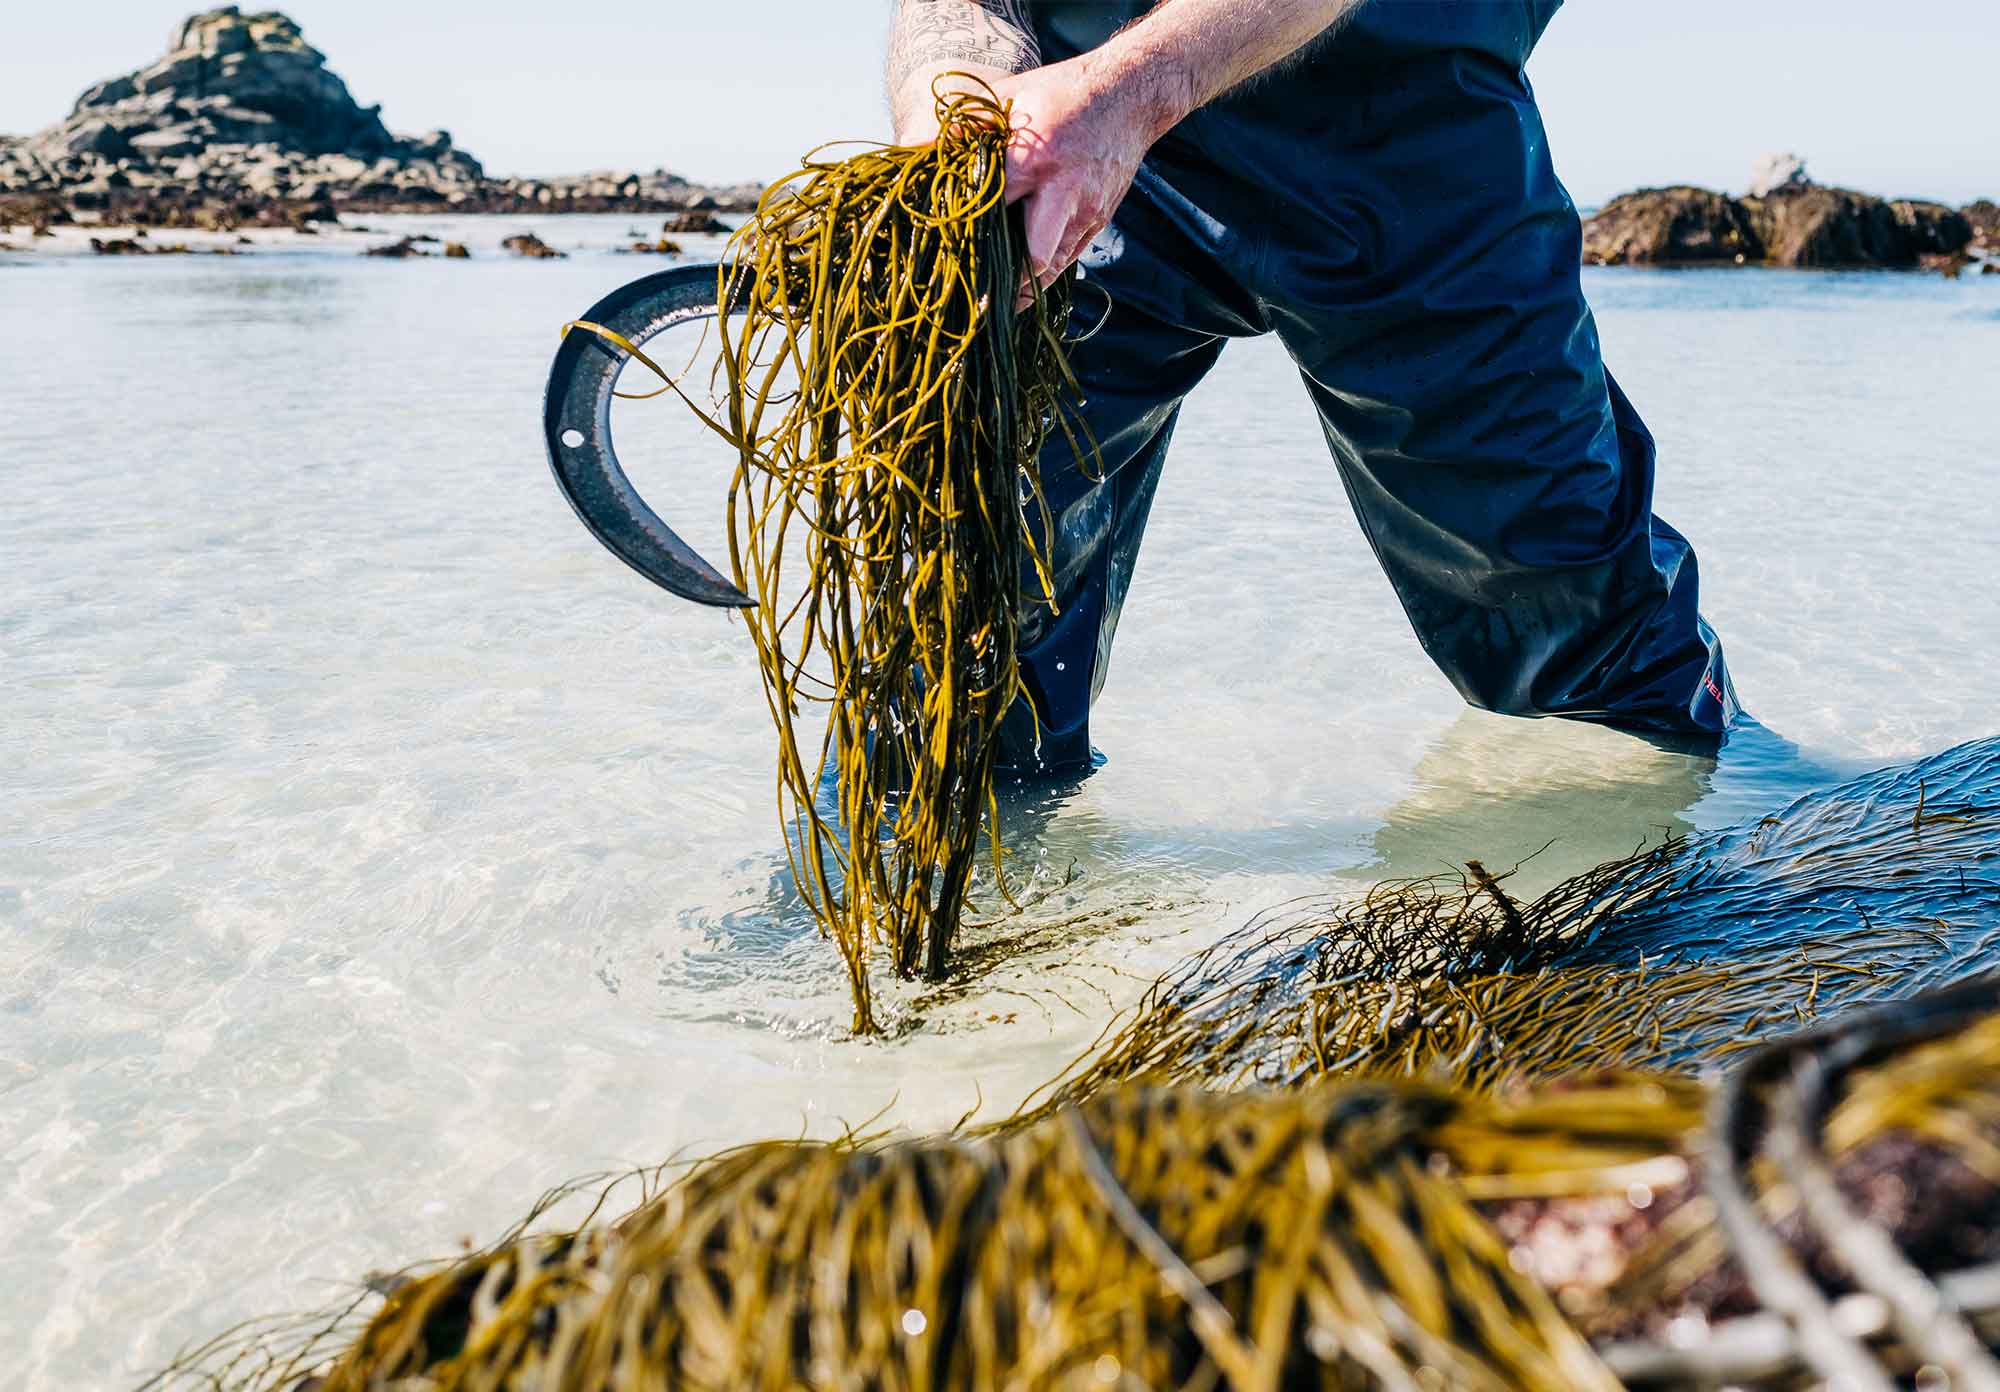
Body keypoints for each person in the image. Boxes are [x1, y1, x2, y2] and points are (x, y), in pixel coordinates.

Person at [886, 0, 1741, 775]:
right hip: (1076, 154)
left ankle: (1722, 895)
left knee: (1585, 651)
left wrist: (1130, 92)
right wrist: (955, 96)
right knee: (959, 648)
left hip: (1409, 120)